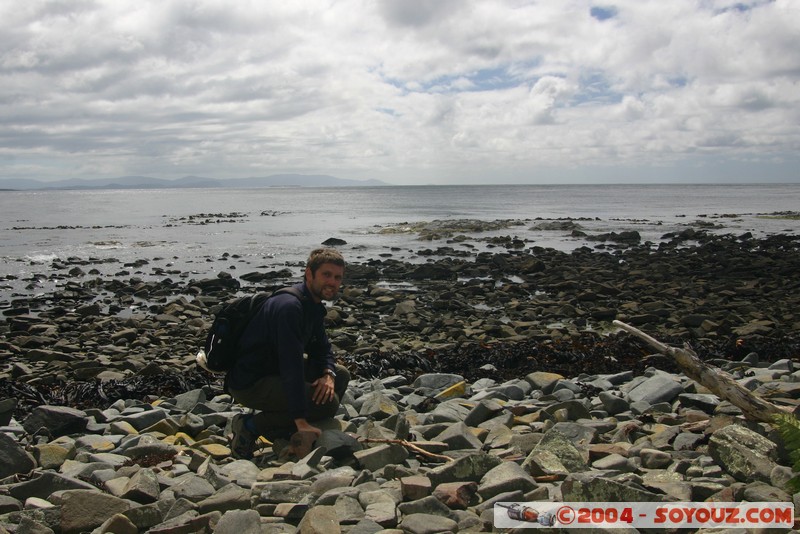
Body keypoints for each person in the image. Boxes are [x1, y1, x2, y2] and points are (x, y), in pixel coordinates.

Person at [226, 248, 351, 459]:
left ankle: (284, 427)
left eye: (337, 277)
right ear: (309, 274)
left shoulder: (312, 305)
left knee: (340, 376)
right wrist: (300, 420)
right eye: (326, 275)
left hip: (274, 370)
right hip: (251, 382)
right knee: (328, 403)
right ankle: (249, 426)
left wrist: (328, 374)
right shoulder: (290, 307)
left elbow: (323, 349)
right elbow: (291, 366)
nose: (332, 282)